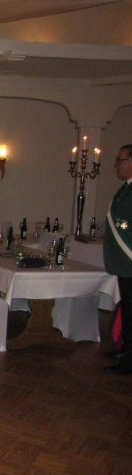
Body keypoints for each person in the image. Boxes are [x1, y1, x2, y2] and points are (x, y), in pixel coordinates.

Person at [104, 144, 132, 376]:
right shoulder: (126, 188)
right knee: (127, 310)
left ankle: (129, 360)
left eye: (120, 160)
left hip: (129, 261)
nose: (116, 164)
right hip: (124, 263)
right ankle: (125, 350)